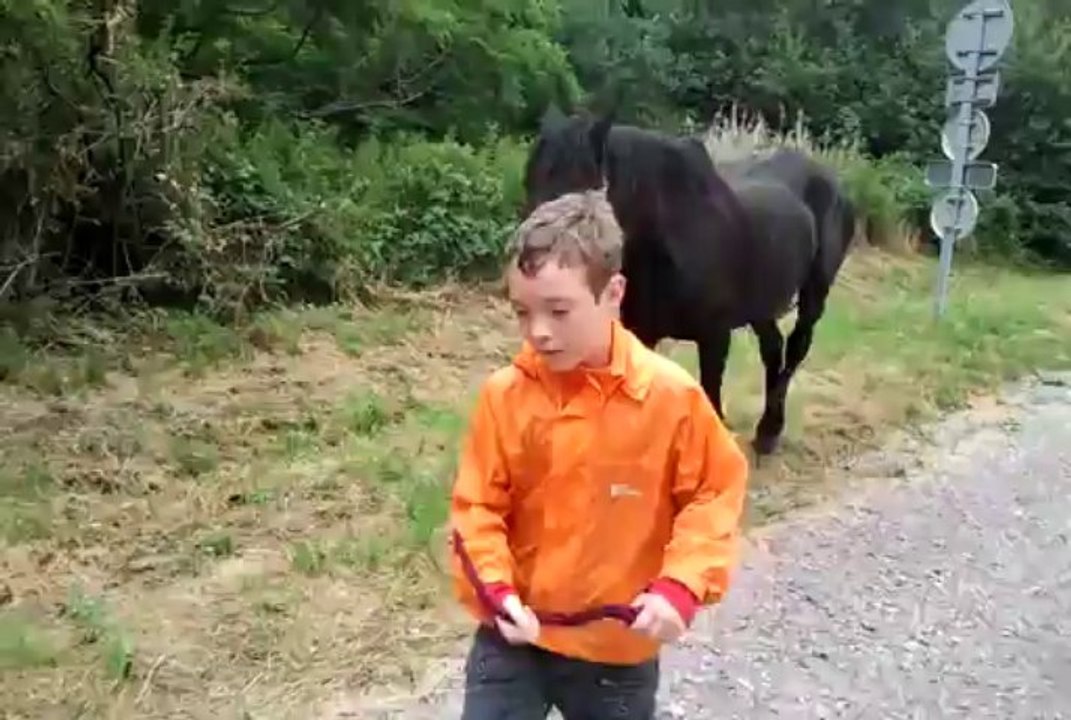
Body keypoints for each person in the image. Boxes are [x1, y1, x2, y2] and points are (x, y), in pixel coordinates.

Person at [447, 189, 749, 719]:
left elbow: (714, 490)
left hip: (616, 654)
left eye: (559, 311)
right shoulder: (504, 396)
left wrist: (679, 587)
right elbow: (477, 510)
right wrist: (497, 592)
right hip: (513, 637)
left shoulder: (670, 398)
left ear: (613, 294)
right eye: (522, 312)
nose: (538, 331)